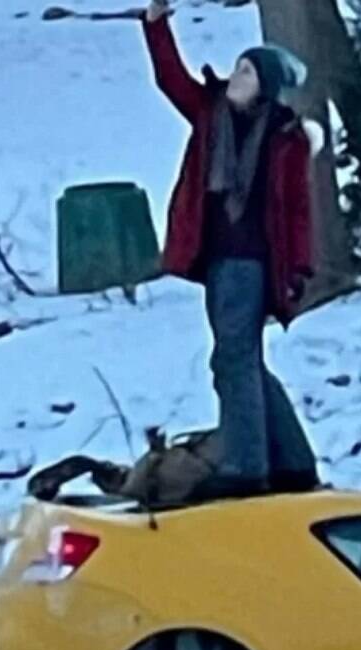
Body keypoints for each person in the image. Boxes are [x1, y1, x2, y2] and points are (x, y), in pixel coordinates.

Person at [141, 0, 321, 501]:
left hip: (254, 263)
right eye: (239, 66)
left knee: (233, 360)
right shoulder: (209, 111)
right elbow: (170, 78)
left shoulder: (285, 138)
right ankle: (293, 462)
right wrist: (157, 24)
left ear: (263, 83)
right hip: (217, 260)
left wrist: (299, 269)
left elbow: (298, 211)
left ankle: (248, 465)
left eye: (246, 69)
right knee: (243, 360)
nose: (236, 73)